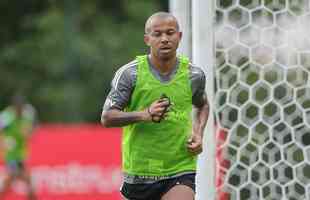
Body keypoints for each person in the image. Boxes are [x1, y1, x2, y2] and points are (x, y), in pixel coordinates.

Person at [101, 12, 209, 200]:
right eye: (157, 34)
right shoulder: (130, 74)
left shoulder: (194, 75)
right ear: (147, 39)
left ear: (180, 36)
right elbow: (107, 117)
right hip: (139, 173)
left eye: (170, 33)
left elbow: (203, 105)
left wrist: (198, 133)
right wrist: (145, 114)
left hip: (180, 168)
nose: (165, 39)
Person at [0, 94, 37, 200]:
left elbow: (31, 130)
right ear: (14, 107)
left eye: (21, 108)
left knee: (17, 180)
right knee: (24, 178)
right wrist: (4, 141)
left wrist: (29, 132)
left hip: (21, 153)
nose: (19, 111)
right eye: (18, 108)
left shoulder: (28, 114)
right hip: (11, 154)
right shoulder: (6, 116)